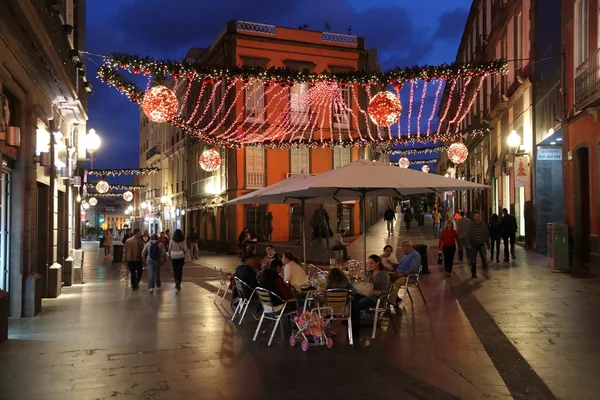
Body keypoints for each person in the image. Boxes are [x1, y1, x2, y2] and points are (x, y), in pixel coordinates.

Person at [352, 255, 390, 341]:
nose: (369, 265)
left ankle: (355, 330)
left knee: (357, 305)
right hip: (368, 295)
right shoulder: (369, 273)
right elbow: (365, 285)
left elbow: (387, 290)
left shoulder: (383, 274)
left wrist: (378, 292)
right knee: (352, 299)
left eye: (371, 263)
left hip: (377, 298)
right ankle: (352, 323)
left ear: (377, 263)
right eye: (368, 263)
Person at [467, 211, 490, 279]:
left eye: (478, 216)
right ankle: (473, 273)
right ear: (473, 217)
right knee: (473, 260)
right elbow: (468, 235)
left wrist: (488, 244)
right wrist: (468, 244)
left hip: (481, 244)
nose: (477, 217)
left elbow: (486, 234)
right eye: (476, 216)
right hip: (473, 245)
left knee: (484, 259)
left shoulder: (483, 224)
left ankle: (486, 273)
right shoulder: (471, 225)